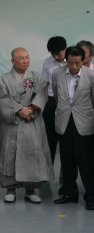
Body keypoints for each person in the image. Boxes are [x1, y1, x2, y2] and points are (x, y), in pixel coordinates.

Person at [0, 48, 54, 204]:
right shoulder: (5, 79)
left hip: (32, 122)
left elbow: (42, 96)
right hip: (12, 124)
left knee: (32, 154)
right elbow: (2, 99)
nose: (25, 61)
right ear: (13, 61)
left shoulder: (37, 78)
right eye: (21, 58)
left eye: (27, 57)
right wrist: (19, 109)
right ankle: (10, 189)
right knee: (8, 155)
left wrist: (30, 109)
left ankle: (30, 189)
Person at [51, 46, 94, 210]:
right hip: (64, 120)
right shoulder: (57, 74)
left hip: (84, 122)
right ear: (65, 61)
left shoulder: (90, 75)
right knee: (66, 158)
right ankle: (69, 193)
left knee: (86, 161)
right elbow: (56, 94)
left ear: (83, 61)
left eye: (77, 63)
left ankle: (91, 196)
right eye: (70, 63)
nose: (74, 66)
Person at [41, 36, 66, 167]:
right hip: (51, 103)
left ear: (65, 49)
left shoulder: (71, 62)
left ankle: (65, 174)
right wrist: (45, 103)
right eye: (53, 54)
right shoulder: (47, 62)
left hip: (67, 104)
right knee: (49, 139)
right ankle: (47, 171)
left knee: (66, 141)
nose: (56, 57)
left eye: (58, 53)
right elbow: (45, 84)